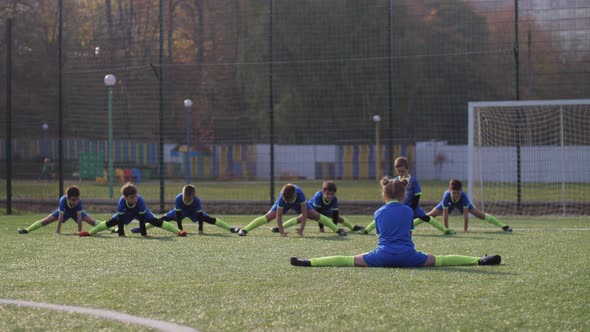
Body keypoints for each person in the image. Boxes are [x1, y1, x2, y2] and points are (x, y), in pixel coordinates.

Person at [291, 177, 502, 268]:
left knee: (348, 260)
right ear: (403, 196)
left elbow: (381, 238)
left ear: (384, 196)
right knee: (442, 260)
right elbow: (408, 236)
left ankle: (310, 262)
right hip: (409, 257)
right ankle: (478, 261)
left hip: (381, 257)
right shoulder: (408, 211)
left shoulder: (378, 212)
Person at [360, 156, 455, 235]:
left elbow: (417, 195)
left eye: (402, 171)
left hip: (413, 207)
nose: (401, 174)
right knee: (383, 214)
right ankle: (366, 230)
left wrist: (412, 209)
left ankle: (445, 230)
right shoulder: (396, 180)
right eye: (398, 172)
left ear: (407, 168)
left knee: (426, 217)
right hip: (399, 207)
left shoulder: (413, 181)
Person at [78, 182, 186, 238]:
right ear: (125, 198)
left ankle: (179, 232)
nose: (134, 199)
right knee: (110, 222)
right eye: (131, 197)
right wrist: (121, 234)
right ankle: (89, 233)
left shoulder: (140, 201)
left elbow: (142, 219)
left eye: (135, 196)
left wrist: (144, 234)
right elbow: (120, 220)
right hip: (127, 214)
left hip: (141, 214)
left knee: (156, 221)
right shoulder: (121, 201)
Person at [238, 183, 347, 237]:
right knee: (268, 216)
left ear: (295, 195)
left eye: (290, 199)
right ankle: (245, 230)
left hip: (299, 204)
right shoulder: (282, 198)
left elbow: (304, 214)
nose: (288, 202)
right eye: (286, 200)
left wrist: (301, 230)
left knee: (315, 215)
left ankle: (338, 230)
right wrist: (281, 232)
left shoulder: (300, 194)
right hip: (283, 203)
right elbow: (279, 216)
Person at [130, 184, 240, 235]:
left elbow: (200, 216)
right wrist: (179, 230)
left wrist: (200, 230)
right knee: (162, 219)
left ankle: (230, 228)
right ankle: (142, 229)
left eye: (188, 199)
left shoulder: (196, 201)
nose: (186, 200)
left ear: (192, 197)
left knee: (209, 219)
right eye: (184, 198)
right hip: (181, 211)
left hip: (192, 212)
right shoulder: (178, 198)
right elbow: (178, 215)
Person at [272, 181, 363, 233]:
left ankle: (353, 227)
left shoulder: (334, 199)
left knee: (339, 218)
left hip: (325, 211)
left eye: (332, 194)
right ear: (323, 192)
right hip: (312, 209)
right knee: (300, 218)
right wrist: (321, 228)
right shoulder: (318, 196)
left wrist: (334, 227)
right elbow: (318, 213)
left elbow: (335, 214)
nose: (330, 196)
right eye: (328, 194)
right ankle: (279, 228)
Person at [425, 179, 512, 232]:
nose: (455, 195)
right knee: (431, 215)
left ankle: (503, 226)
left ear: (461, 191)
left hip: (461, 204)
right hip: (449, 204)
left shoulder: (463, 196)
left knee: (480, 215)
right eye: (454, 193)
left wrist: (465, 229)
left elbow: (466, 215)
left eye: (457, 193)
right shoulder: (446, 196)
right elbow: (445, 215)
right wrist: (446, 229)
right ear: (450, 190)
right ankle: (411, 223)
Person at [18, 185, 99, 235]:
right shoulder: (63, 200)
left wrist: (80, 232)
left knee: (91, 221)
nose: (76, 202)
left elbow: (79, 218)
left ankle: (111, 229)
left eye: (77, 199)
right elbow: (60, 217)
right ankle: (26, 230)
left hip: (75, 213)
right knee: (46, 221)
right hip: (65, 213)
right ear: (68, 198)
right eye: (73, 200)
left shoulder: (79, 202)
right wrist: (57, 232)